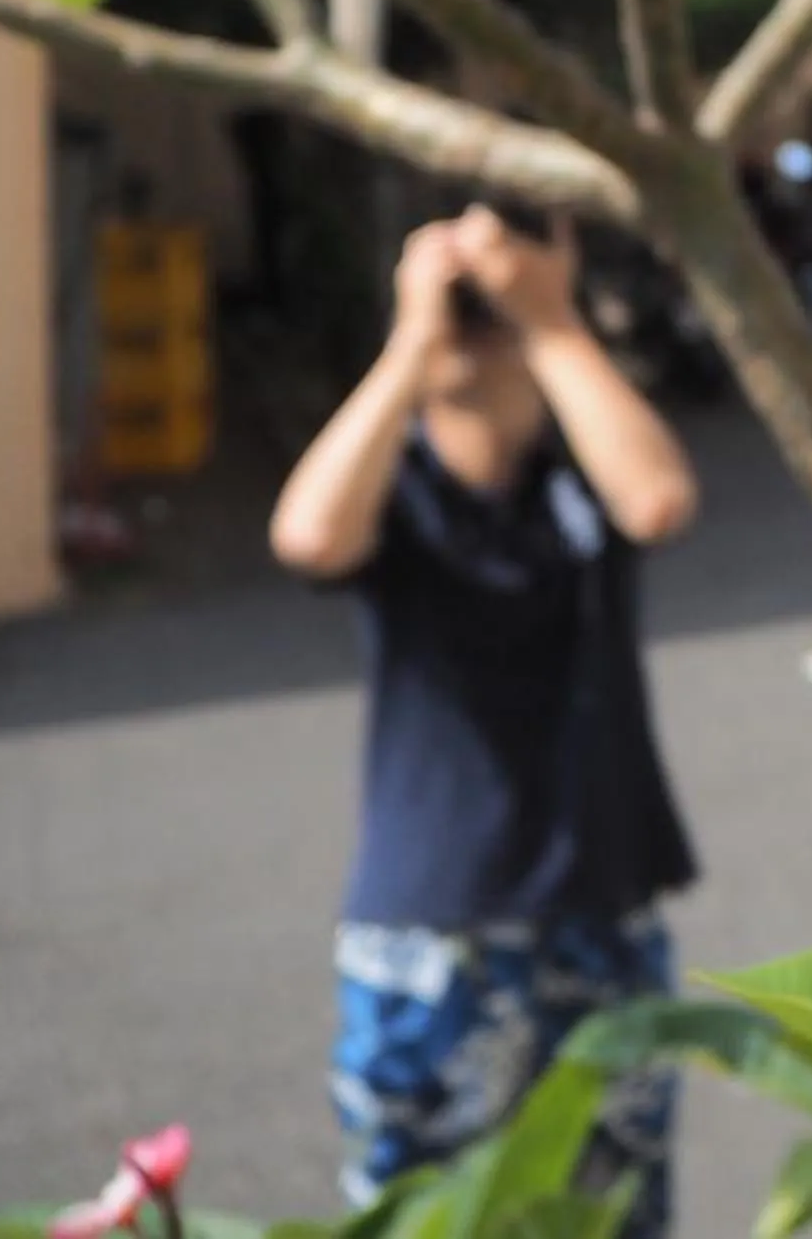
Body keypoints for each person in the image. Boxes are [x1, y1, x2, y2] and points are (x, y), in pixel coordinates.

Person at [271, 203, 701, 1232]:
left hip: (599, 909)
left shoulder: (579, 488)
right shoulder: (400, 492)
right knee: (417, 1212)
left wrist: (551, 321)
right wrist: (411, 343)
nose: (481, 319)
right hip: (429, 926)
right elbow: (309, 536)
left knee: (614, 1214)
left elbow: (656, 500)